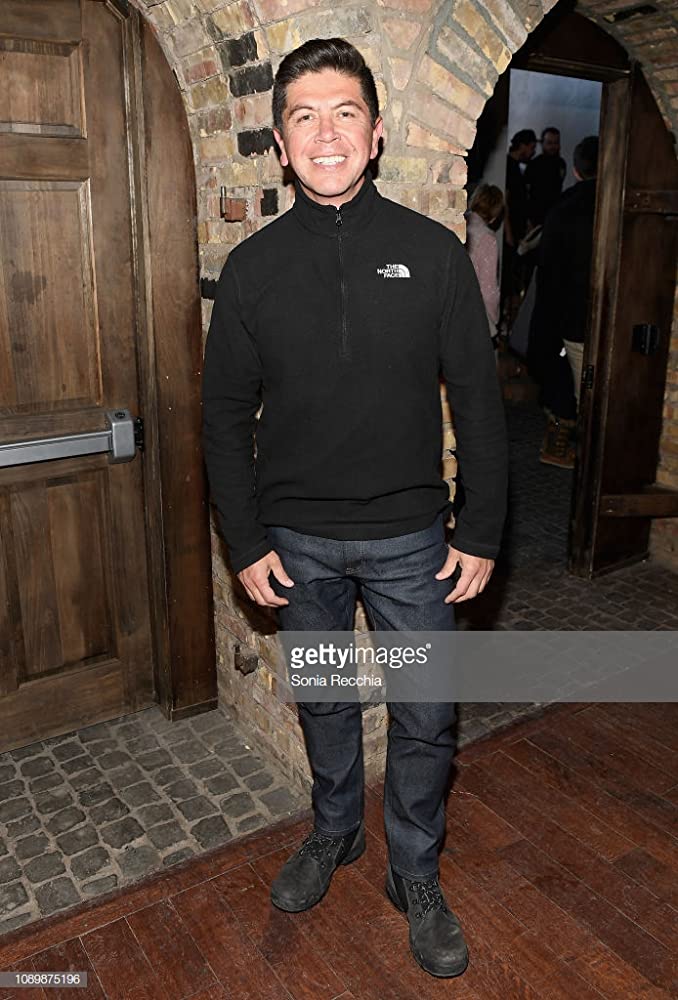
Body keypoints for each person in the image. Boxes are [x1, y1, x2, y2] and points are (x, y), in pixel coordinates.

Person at [202, 38, 508, 980]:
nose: (326, 134)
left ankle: (414, 869)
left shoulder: (433, 255)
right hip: (298, 546)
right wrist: (243, 540)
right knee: (326, 698)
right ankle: (335, 828)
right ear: (281, 143)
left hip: (413, 545)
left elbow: (481, 402)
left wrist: (482, 529)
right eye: (304, 116)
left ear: (375, 135)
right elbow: (222, 417)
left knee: (425, 712)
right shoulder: (252, 270)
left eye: (345, 114)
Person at [528, 135, 599, 467]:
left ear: (575, 169)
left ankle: (582, 458)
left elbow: (549, 272)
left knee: (575, 391)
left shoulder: (563, 208)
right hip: (613, 320)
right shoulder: (618, 207)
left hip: (571, 319)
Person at [503, 129, 537, 322]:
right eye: (531, 147)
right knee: (511, 278)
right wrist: (508, 232)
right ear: (522, 145)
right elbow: (506, 202)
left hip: (518, 231)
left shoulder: (517, 167)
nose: (533, 152)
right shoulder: (509, 166)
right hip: (512, 233)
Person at [465, 183, 504, 345]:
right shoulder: (487, 238)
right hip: (473, 314)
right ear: (495, 214)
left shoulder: (458, 222)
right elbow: (488, 289)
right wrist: (494, 321)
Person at [525, 127, 567, 228]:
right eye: (549, 143)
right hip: (535, 217)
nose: (553, 146)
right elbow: (526, 193)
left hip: (555, 216)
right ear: (542, 144)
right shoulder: (533, 164)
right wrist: (527, 218)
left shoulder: (561, 164)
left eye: (556, 143)